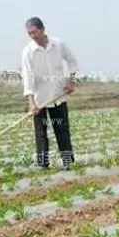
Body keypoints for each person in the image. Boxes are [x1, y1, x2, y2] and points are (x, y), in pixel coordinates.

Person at [21, 17, 79, 170]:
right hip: (39, 99)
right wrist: (31, 102)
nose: (33, 36)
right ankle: (43, 165)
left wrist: (71, 82)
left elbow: (72, 61)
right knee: (40, 133)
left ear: (43, 29)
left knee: (62, 130)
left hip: (58, 95)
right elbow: (28, 77)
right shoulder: (28, 52)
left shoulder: (58, 45)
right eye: (29, 33)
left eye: (35, 32)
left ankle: (67, 162)